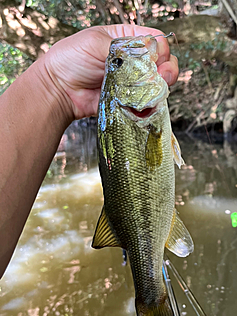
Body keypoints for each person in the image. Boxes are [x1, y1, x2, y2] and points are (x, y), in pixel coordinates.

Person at [0, 24, 179, 278]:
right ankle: (151, 294)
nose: (121, 57)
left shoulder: (131, 109)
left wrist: (57, 84)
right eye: (118, 62)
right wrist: (54, 83)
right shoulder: (132, 110)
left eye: (116, 63)